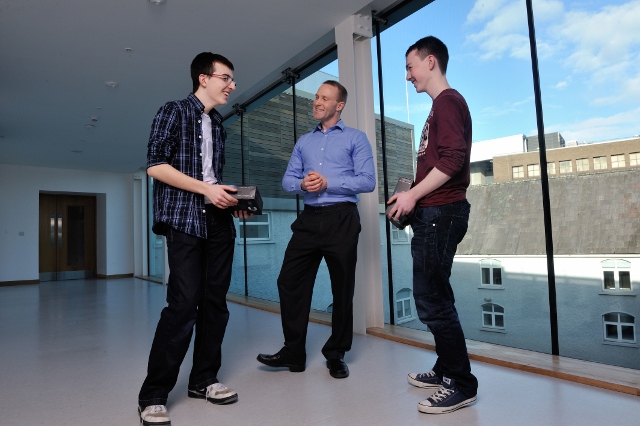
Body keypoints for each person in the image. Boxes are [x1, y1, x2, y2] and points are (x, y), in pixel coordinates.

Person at [138, 52, 247, 425]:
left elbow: (212, 177)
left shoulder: (219, 124)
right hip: (183, 219)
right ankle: (153, 395)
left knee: (214, 303)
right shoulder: (172, 111)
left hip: (217, 222)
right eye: (226, 78)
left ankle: (204, 380)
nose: (232, 85)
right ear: (204, 78)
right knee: (183, 305)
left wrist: (232, 201)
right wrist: (205, 189)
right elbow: (155, 165)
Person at [257, 80, 376, 379]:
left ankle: (336, 354)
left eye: (325, 98)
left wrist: (328, 183)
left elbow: (367, 181)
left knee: (342, 287)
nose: (317, 102)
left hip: (342, 218)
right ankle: (293, 353)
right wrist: (301, 184)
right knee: (289, 281)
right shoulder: (303, 142)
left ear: (339, 105)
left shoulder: (356, 138)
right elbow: (287, 181)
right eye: (316, 97)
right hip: (309, 219)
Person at [387, 36, 478, 414]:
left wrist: (412, 196)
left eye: (410, 67)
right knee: (435, 294)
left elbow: (454, 159)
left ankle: (462, 383)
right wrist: (411, 196)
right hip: (434, 213)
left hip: (443, 214)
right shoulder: (439, 107)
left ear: (430, 62)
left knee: (431, 300)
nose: (408, 76)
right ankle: (445, 368)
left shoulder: (448, 102)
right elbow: (440, 161)